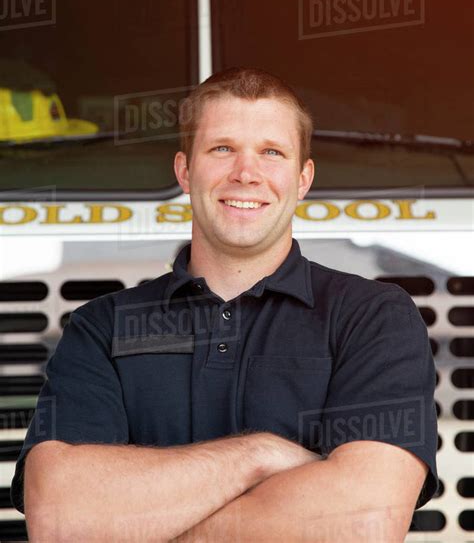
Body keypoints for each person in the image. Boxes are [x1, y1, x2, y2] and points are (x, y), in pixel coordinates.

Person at [11, 67, 438, 542]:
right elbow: (60, 522)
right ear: (184, 170)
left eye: (271, 152)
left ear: (302, 179)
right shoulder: (101, 327)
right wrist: (257, 455)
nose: (246, 174)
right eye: (222, 149)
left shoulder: (373, 317)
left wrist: (144, 525)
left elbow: (364, 525)